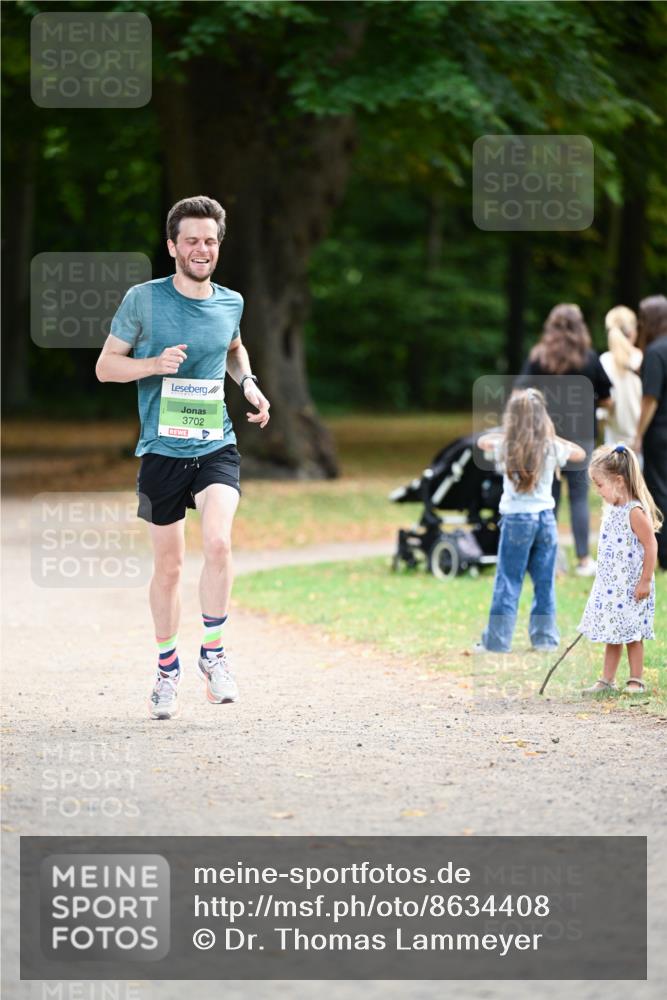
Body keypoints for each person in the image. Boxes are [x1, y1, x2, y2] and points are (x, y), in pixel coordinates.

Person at [96, 195, 270, 719]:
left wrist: (251, 386)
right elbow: (106, 367)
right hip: (160, 452)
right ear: (172, 246)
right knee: (168, 569)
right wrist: (152, 365)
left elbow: (234, 349)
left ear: (219, 246)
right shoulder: (142, 300)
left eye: (210, 241)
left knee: (217, 542)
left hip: (215, 443)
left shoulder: (230, 302)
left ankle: (213, 655)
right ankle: (166, 669)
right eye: (191, 240)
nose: (202, 249)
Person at [473, 388, 586, 654]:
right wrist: (550, 434)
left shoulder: (507, 446)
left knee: (508, 581)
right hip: (546, 519)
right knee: (544, 581)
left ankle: (497, 642)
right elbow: (580, 453)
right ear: (542, 417)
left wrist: (512, 431)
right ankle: (545, 639)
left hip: (516, 521)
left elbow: (482, 442)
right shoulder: (550, 446)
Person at [520, 303, 612, 577]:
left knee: (548, 495)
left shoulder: (539, 357)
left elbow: (520, 391)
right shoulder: (589, 358)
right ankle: (584, 560)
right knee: (579, 497)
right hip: (581, 435)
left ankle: (550, 558)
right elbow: (607, 396)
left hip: (545, 436)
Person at [579, 444, 661, 696]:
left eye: (600, 484)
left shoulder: (633, 511)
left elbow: (651, 545)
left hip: (632, 587)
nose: (597, 491)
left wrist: (645, 581)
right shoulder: (612, 509)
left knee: (632, 634)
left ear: (618, 481)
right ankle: (607, 679)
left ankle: (636, 679)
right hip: (612, 587)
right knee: (612, 634)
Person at [633, 294, 667, 570]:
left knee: (659, 492)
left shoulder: (656, 351)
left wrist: (637, 434)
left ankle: (664, 554)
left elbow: (650, 399)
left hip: (661, 435)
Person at [598, 306, 642, 448]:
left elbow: (604, 405)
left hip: (612, 442)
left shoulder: (604, 360)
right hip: (639, 442)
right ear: (632, 331)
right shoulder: (642, 359)